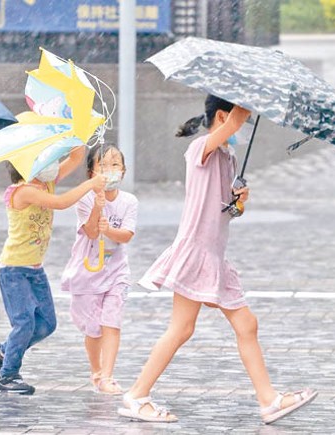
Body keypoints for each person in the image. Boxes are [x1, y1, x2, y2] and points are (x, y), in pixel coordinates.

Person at [117, 95, 317, 424]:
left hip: (215, 256)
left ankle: (269, 401)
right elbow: (236, 123)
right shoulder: (199, 149)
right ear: (223, 116)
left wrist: (239, 202)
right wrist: (252, 96)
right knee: (181, 329)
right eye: (241, 117)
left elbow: (228, 212)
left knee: (243, 324)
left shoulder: (229, 157)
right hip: (196, 251)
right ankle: (137, 394)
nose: (243, 125)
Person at [0, 147, 106, 395]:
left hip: (35, 270)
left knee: (47, 324)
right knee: (25, 323)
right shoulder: (23, 191)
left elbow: (75, 157)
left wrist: (75, 134)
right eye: (44, 158)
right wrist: (91, 184)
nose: (52, 163)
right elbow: (61, 203)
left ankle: (4, 350)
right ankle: (7, 375)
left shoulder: (45, 182)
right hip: (14, 270)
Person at [60, 143, 137, 395]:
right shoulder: (83, 199)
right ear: (91, 173)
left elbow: (126, 235)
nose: (110, 170)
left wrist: (109, 230)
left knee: (111, 323)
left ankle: (108, 376)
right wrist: (98, 206)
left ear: (123, 170)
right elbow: (91, 232)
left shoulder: (129, 201)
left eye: (115, 164)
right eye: (103, 165)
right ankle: (96, 371)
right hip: (87, 273)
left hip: (117, 273)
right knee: (93, 329)